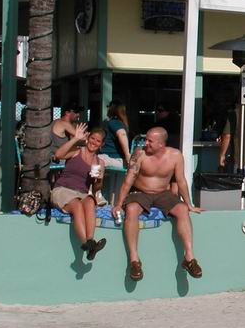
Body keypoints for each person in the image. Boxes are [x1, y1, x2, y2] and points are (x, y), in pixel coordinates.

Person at [113, 127, 203, 281]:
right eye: (145, 139)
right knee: (132, 209)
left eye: (150, 141)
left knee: (182, 209)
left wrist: (189, 204)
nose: (145, 143)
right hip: (140, 192)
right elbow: (128, 180)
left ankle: (189, 258)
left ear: (161, 144)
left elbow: (181, 181)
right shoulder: (139, 154)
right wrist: (118, 204)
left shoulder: (175, 156)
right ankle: (134, 260)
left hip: (163, 193)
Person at [51, 124, 107, 260]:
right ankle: (87, 244)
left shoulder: (99, 162)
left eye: (98, 141)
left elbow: (96, 189)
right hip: (63, 189)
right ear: (88, 138)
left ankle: (90, 240)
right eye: (92, 138)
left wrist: (99, 179)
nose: (94, 142)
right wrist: (75, 138)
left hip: (82, 194)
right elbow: (58, 155)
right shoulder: (77, 151)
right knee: (77, 205)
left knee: (90, 202)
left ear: (101, 144)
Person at [99, 99, 131, 169]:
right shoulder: (119, 123)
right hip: (114, 159)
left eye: (108, 106)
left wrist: (127, 154)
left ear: (111, 108)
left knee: (90, 159)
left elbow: (122, 134)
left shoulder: (114, 122)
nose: (107, 108)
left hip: (111, 158)